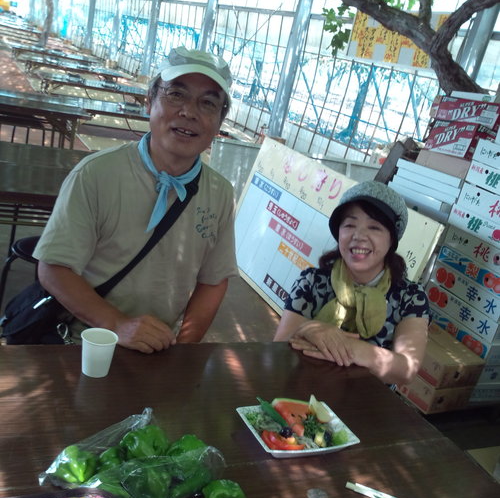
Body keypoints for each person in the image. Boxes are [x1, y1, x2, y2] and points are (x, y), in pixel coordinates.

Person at [34, 46, 238, 353]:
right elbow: (53, 268)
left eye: (208, 103)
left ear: (220, 121)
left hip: (157, 350)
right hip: (83, 341)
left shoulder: (220, 193)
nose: (189, 112)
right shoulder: (96, 174)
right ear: (149, 101)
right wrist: (117, 325)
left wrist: (183, 347)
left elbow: (213, 280)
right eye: (176, 95)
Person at [274, 181, 430, 385]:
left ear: (392, 239)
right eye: (349, 225)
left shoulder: (410, 297)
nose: (359, 236)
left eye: (374, 227)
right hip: (305, 390)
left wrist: (346, 346)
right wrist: (307, 330)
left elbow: (405, 370)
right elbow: (279, 347)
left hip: (367, 405)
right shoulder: (311, 281)